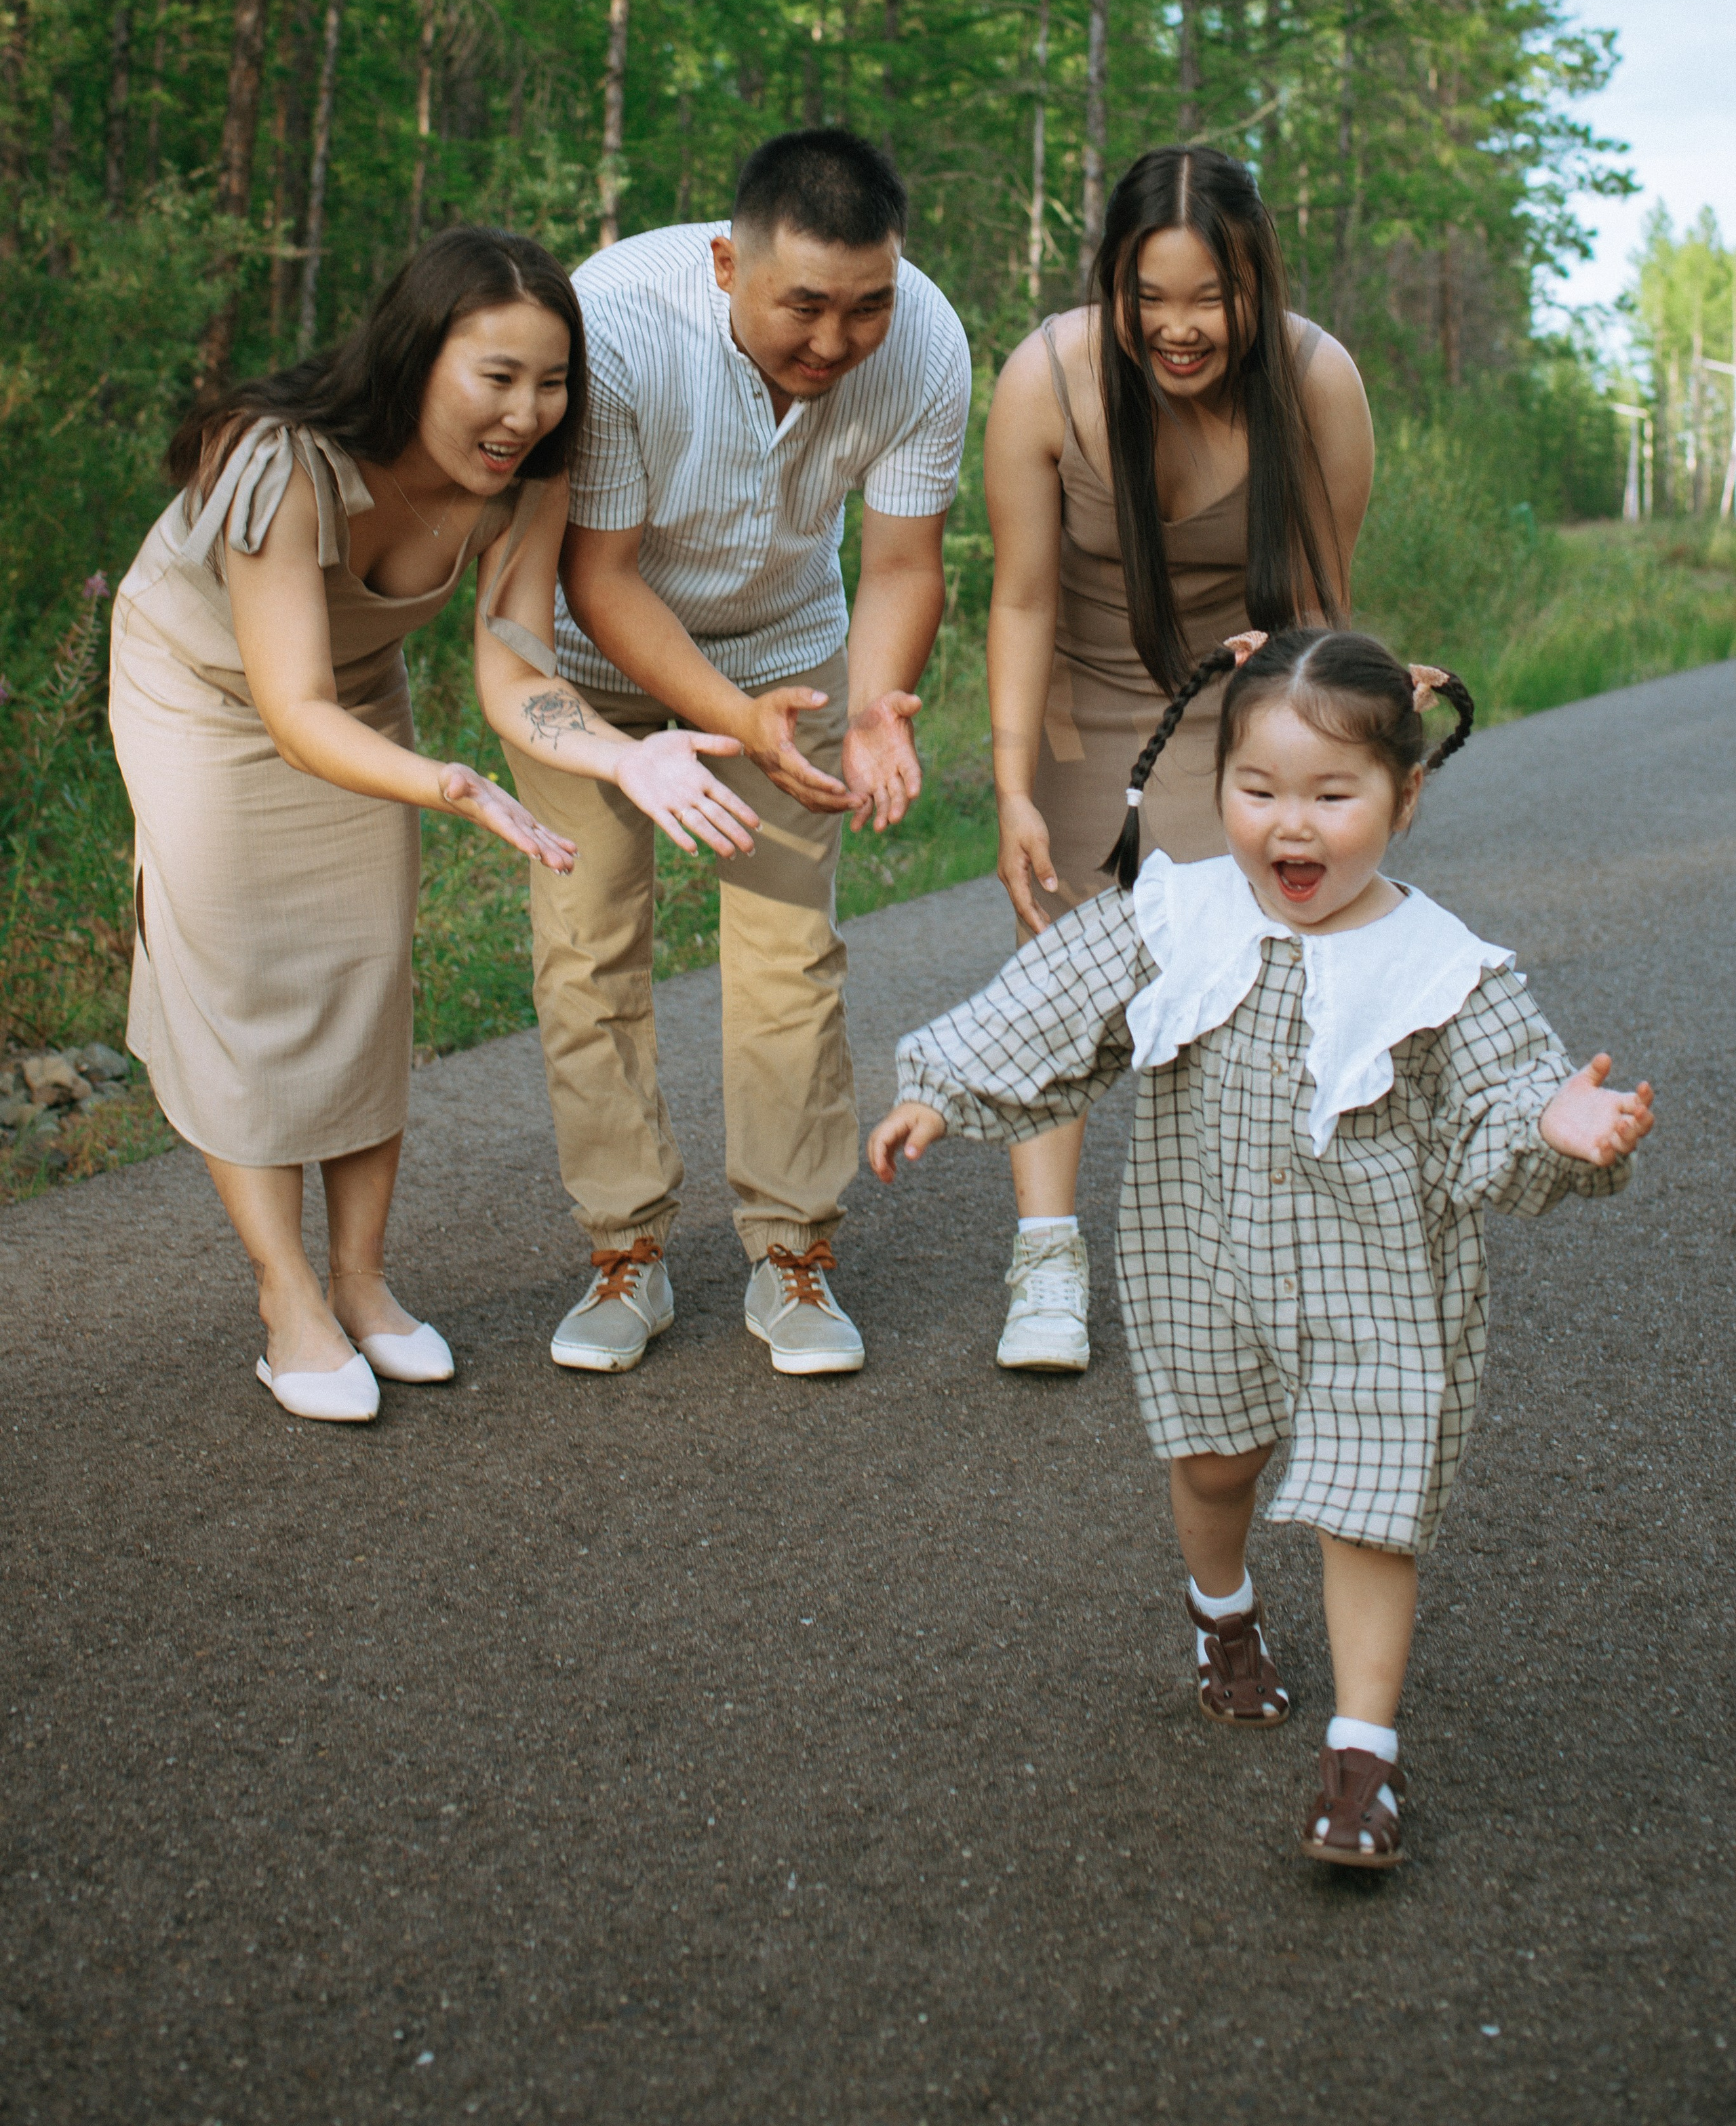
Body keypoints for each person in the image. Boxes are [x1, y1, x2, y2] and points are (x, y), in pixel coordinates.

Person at [869, 627, 1653, 1870]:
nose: (1293, 827)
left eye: (1334, 795)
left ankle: (1362, 1764)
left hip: (1383, 1283)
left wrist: (1561, 1125)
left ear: (1405, 793)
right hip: (1205, 1254)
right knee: (1218, 1467)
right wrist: (944, 1086)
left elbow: (1506, 1108)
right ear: (1219, 781)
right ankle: (1222, 1611)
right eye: (1259, 790)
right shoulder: (1180, 913)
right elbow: (1055, 999)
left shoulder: (1447, 969)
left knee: (1370, 1504)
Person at [111, 229, 756, 1425]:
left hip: (353, 691)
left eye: (551, 379)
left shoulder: (531, 477)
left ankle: (361, 1282)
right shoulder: (284, 459)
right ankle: (285, 1294)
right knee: (243, 974)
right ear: (416, 360)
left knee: (366, 968)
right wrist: (447, 782)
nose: (525, 409)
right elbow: (287, 707)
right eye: (496, 376)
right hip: (201, 690)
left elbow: (515, 661)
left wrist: (625, 750)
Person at [507, 127, 970, 1377]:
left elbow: (902, 563)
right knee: (589, 950)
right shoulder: (616, 321)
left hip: (793, 651)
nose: (834, 342)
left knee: (787, 953)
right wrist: (725, 715)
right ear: (726, 262)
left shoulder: (924, 341)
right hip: (595, 670)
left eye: (865, 305)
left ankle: (793, 1251)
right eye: (804, 306)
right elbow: (595, 579)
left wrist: (876, 703)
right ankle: (627, 1250)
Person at [982, 146, 1374, 1373]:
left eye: (1209, 297)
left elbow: (1320, 604)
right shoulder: (1049, 377)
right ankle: (1047, 1258)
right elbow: (1023, 600)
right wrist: (1008, 787)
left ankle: (1238, 1248)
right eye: (1149, 297)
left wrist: (1317, 769)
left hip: (1244, 703)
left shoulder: (1317, 381)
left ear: (1256, 282)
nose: (1179, 328)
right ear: (1113, 284)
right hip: (1084, 695)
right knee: (1062, 963)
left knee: (1255, 978)